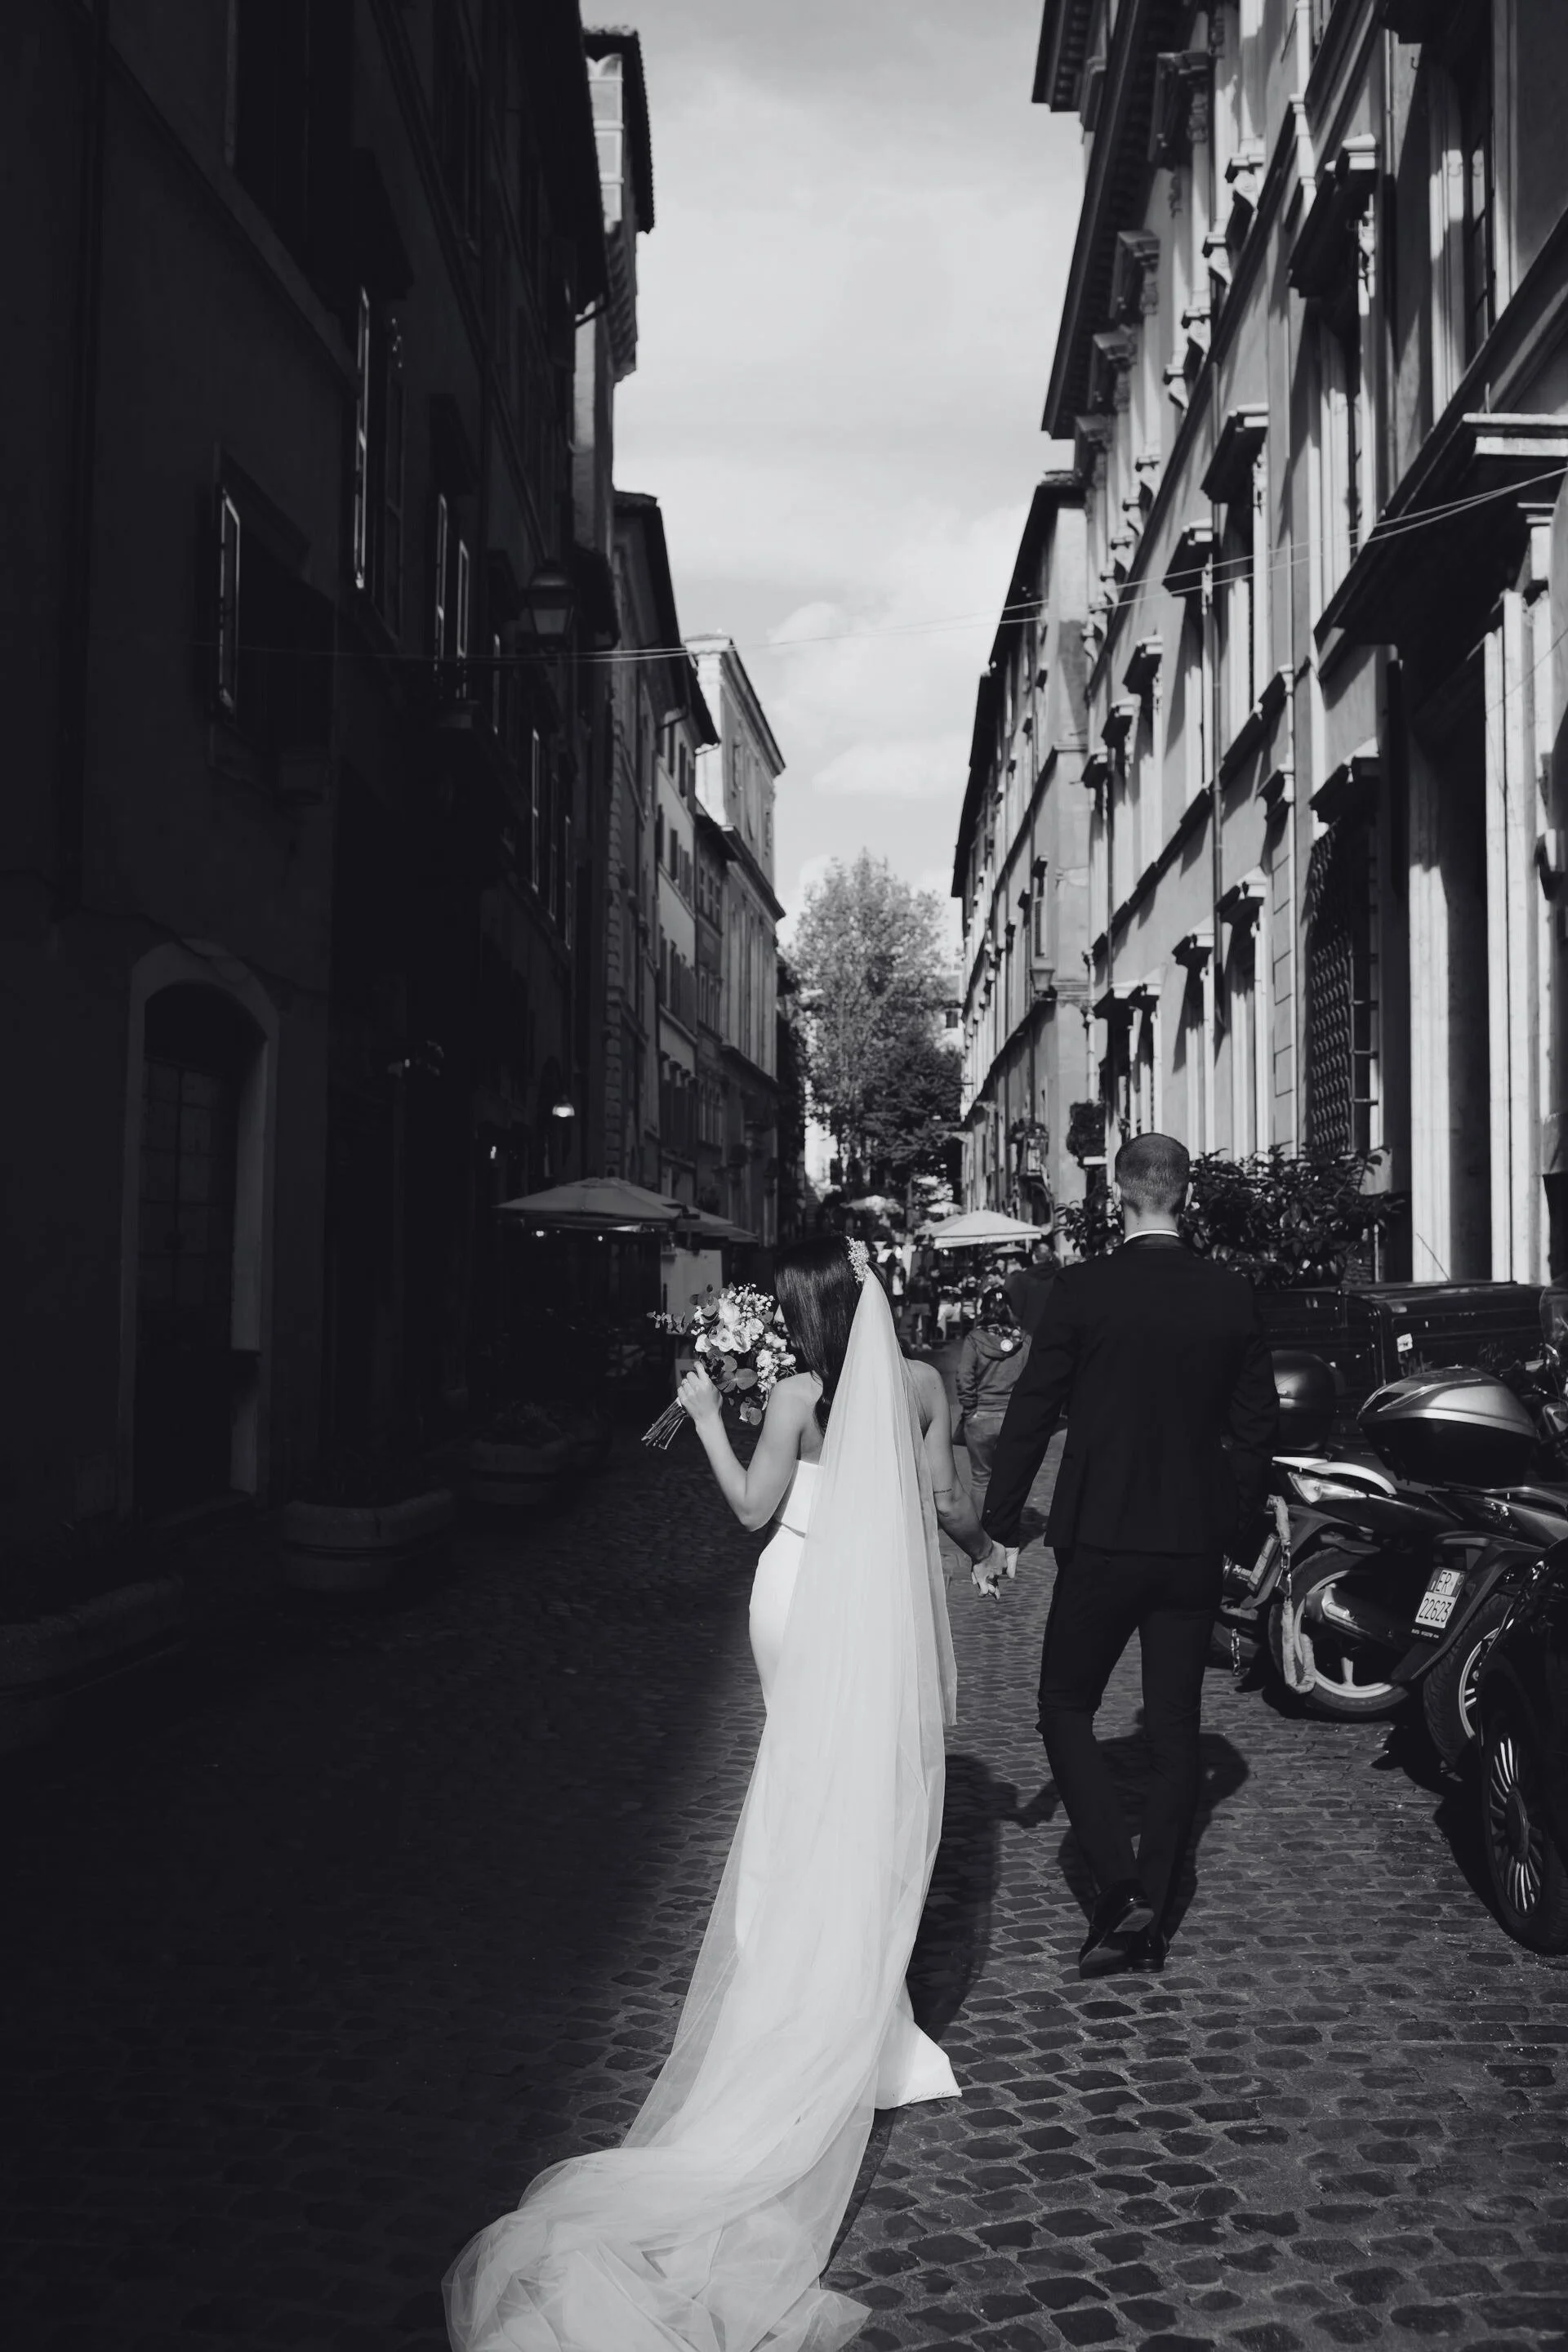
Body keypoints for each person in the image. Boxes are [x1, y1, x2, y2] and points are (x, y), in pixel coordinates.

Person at [445, 1235, 1004, 2352]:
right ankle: (870, 2013)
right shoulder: (920, 1384)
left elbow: (753, 1509)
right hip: (879, 1604)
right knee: (868, 1789)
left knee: (799, 1776)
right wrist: (987, 1552)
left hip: (795, 1590)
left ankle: (787, 1978)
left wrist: (703, 1412)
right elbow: (945, 1498)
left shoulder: (796, 1394)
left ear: (803, 1309)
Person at [980, 1133, 1278, 1981]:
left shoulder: (1083, 1289)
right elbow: (1258, 1426)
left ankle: (1119, 1890)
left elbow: (1033, 1408)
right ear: (1187, 1195)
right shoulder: (1230, 1293)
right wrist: (1231, 1524)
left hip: (1104, 1535)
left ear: (1119, 1196)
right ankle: (1152, 1908)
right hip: (1191, 1541)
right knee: (1176, 1728)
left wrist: (1002, 1521)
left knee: (1064, 1705)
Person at [956, 1284, 1030, 1482]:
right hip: (1015, 1418)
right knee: (1012, 1482)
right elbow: (1035, 1381)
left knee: (981, 1481)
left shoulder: (974, 1339)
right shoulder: (1025, 1341)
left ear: (983, 1310)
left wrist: (970, 1410)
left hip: (981, 1417)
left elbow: (964, 1376)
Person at [1004, 1232, 1059, 1338]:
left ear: (1034, 1257)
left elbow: (1015, 1310)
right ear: (1050, 1258)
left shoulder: (1022, 1279)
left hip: (1030, 1334)